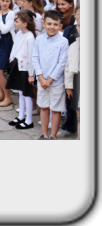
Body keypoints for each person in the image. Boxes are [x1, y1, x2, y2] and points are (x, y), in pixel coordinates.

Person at [32, 10, 69, 139]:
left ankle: (53, 136)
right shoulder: (39, 39)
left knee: (56, 109)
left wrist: (50, 80)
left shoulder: (63, 41)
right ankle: (44, 134)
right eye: (49, 24)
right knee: (44, 107)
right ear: (43, 24)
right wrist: (41, 78)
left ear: (60, 26)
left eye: (55, 24)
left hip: (56, 82)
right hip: (42, 80)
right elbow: (35, 58)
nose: (52, 27)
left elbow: (62, 63)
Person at [6, 10, 37, 129]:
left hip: (26, 70)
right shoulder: (19, 33)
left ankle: (29, 120)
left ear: (25, 23)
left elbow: (32, 57)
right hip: (18, 65)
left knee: (26, 94)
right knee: (20, 92)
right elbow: (15, 47)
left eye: (16, 21)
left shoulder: (30, 37)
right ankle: (21, 116)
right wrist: (11, 59)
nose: (14, 23)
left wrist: (31, 74)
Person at [63, 14, 80, 139]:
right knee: (78, 112)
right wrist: (69, 86)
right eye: (79, 25)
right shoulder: (74, 45)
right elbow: (69, 66)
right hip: (77, 80)